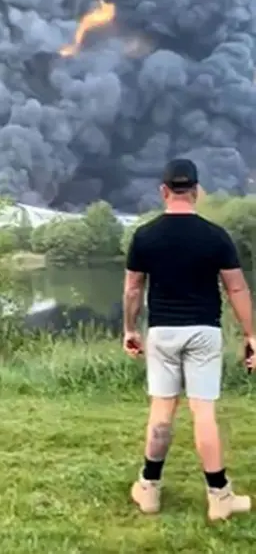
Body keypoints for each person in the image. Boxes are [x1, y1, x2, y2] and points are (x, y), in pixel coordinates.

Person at [123, 158, 255, 521]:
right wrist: (251, 334)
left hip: (162, 332)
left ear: (163, 191)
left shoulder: (145, 236)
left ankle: (149, 490)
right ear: (196, 192)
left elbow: (133, 289)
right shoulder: (215, 236)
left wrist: (130, 330)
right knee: (203, 413)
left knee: (162, 411)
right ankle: (219, 497)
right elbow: (237, 288)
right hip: (204, 332)